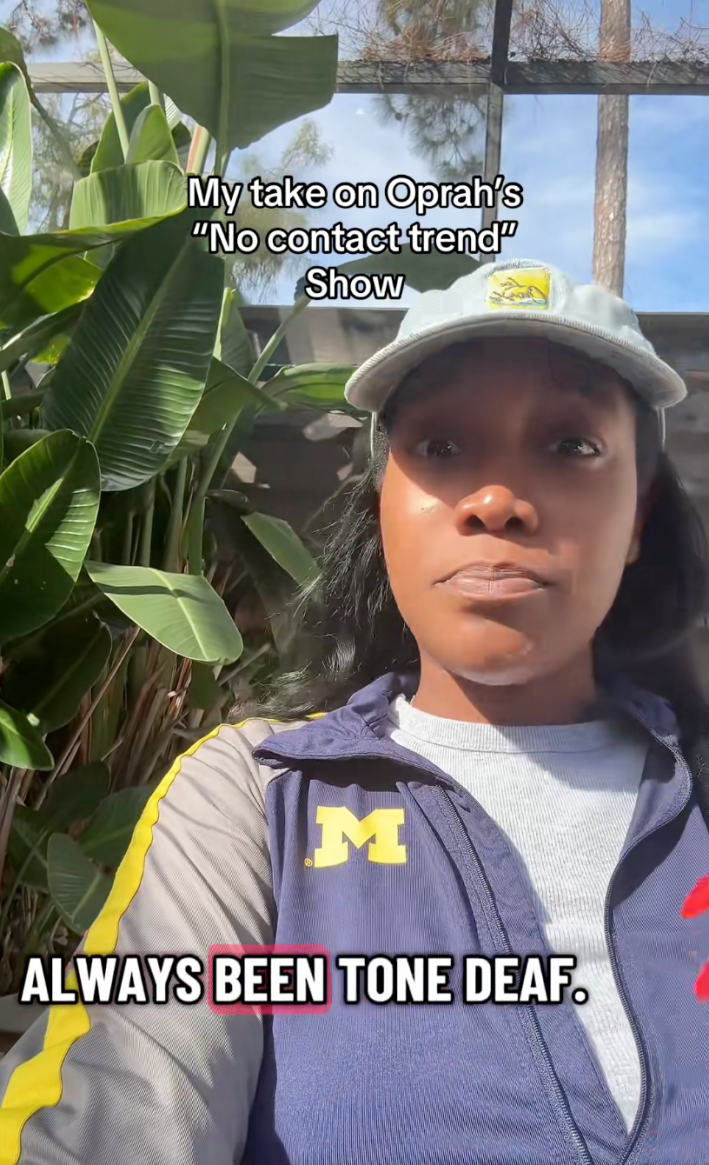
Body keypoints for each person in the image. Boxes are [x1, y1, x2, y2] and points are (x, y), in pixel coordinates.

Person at [2, 258, 709, 1165]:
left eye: (571, 445)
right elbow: (112, 1108)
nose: (495, 501)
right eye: (442, 448)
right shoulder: (252, 801)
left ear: (639, 514)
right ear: (384, 506)